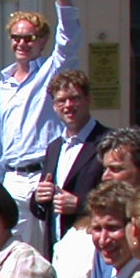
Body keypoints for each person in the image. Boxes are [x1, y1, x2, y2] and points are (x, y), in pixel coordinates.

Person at [0, 0, 79, 247]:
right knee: (11, 251)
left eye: (29, 38)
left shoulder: (52, 73)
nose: (22, 43)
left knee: (46, 250)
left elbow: (69, 38)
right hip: (11, 178)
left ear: (42, 41)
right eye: (16, 38)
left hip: (44, 176)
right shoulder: (3, 85)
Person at [31, 70, 109, 257]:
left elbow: (121, 196)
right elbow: (41, 209)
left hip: (94, 247)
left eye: (74, 98)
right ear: (54, 106)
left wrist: (81, 204)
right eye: (61, 101)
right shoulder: (54, 148)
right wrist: (39, 198)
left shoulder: (108, 142)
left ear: (88, 99)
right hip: (57, 248)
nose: (68, 105)